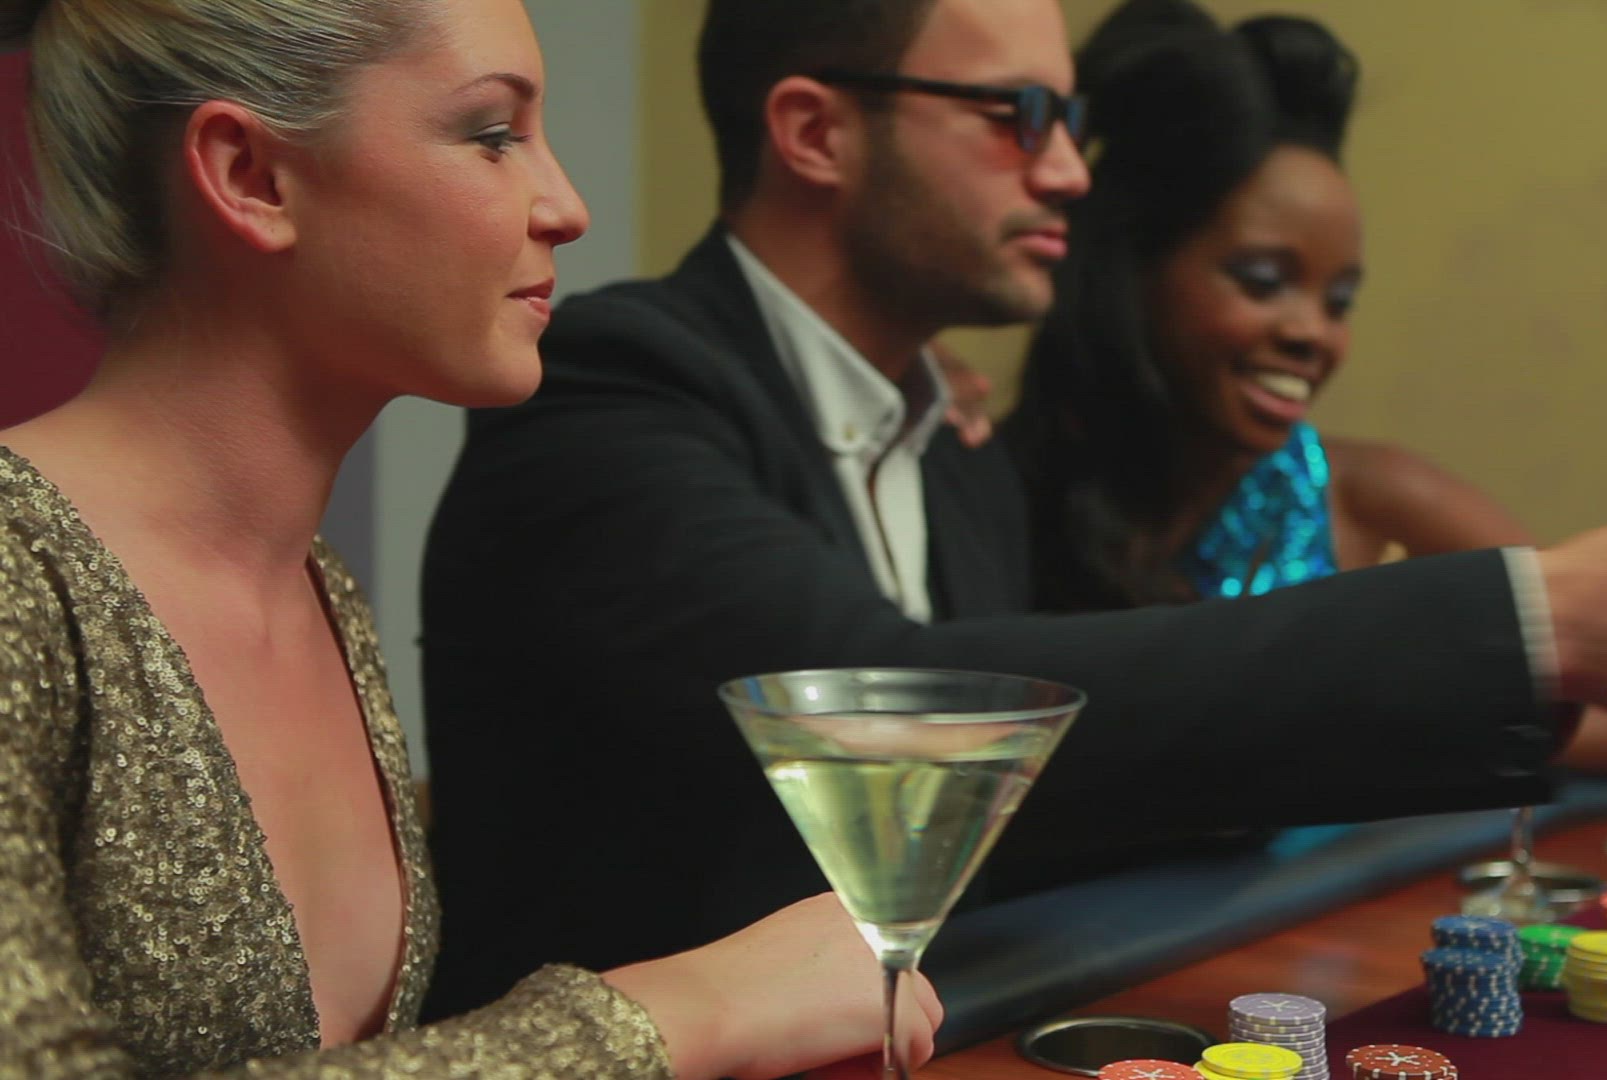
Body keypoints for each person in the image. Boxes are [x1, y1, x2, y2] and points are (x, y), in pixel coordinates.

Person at [417, 0, 1607, 1018]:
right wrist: (1536, 618)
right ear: (814, 131)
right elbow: (881, 713)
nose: (1068, 168)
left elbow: (1080, 782)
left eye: (1066, 122)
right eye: (1019, 116)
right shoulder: (613, 387)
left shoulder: (956, 446)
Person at [0, 1, 939, 1076]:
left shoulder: (318, 587)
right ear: (251, 176)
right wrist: (686, 1011)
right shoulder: (18, 571)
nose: (567, 208)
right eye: (492, 134)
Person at [1008, 0, 1607, 780]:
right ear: (1131, 269)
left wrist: (1408, 715)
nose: (1314, 333)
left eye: (1340, 302)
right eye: (1263, 280)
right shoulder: (992, 486)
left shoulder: (1375, 502)